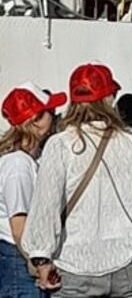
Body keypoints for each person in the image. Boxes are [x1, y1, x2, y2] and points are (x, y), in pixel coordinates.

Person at [22, 64, 132, 296]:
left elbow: (46, 205)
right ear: (109, 99)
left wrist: (42, 258)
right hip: (128, 263)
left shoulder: (61, 145)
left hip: (74, 266)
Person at [0, 83, 65, 298]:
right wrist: (39, 263)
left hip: (17, 257)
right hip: (18, 259)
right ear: (35, 119)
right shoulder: (18, 164)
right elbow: (19, 225)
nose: (55, 117)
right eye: (50, 112)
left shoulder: (28, 160)